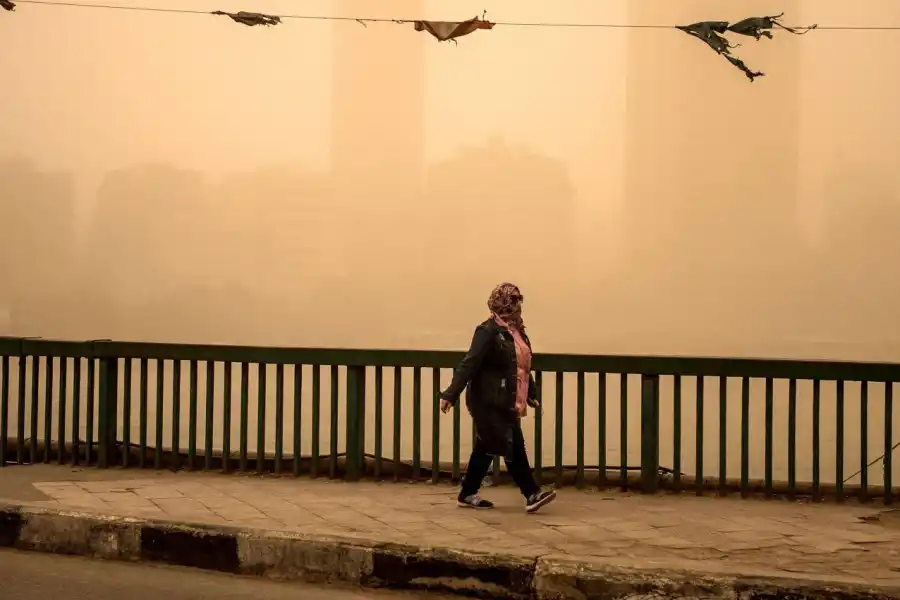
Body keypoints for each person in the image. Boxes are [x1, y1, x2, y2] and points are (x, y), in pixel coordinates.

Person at [440, 282, 557, 513]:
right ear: (500, 303)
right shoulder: (487, 331)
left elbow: (520, 367)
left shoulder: (517, 331)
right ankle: (531, 492)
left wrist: (531, 393)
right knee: (511, 443)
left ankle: (467, 492)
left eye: (517, 301)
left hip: (508, 399)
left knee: (486, 447)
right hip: (488, 401)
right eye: (512, 301)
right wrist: (450, 394)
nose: (516, 306)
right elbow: (469, 363)